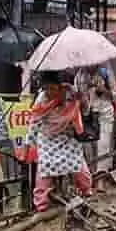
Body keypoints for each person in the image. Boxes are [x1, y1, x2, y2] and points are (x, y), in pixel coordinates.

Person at [30, 72, 94, 211]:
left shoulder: (72, 94)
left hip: (67, 135)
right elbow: (34, 122)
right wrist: (28, 144)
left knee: (79, 166)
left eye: (52, 88)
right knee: (45, 167)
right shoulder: (41, 100)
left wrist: (83, 99)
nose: (49, 92)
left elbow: (86, 111)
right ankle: (41, 204)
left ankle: (86, 192)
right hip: (47, 138)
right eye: (46, 89)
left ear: (60, 87)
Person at [75, 64, 116, 173]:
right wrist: (81, 97)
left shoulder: (105, 72)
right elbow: (77, 97)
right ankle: (92, 174)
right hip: (88, 116)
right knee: (89, 148)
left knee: (103, 145)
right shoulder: (80, 75)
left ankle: (102, 174)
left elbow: (115, 96)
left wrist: (103, 90)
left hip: (105, 114)